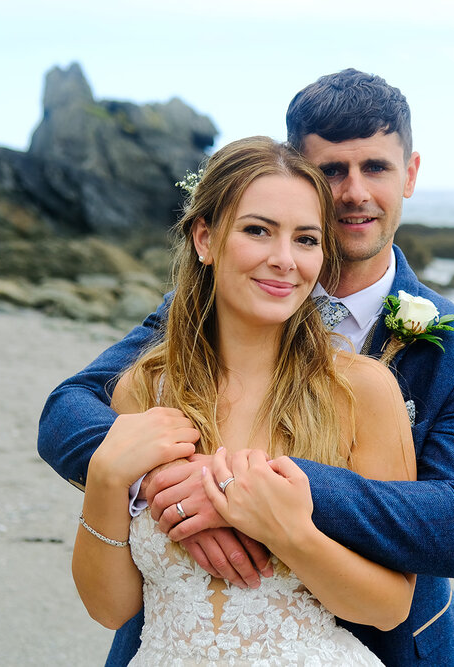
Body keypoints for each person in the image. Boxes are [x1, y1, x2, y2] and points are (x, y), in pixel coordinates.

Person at [39, 68, 454, 666]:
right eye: (333, 170)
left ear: (409, 174)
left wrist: (257, 492)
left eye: (377, 168)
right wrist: (157, 479)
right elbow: (68, 409)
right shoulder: (190, 326)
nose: (356, 192)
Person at [73, 135, 416, 664]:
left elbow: (390, 607)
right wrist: (106, 477)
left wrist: (289, 533)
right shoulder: (145, 386)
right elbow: (111, 609)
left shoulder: (361, 391)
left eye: (306, 240)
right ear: (205, 239)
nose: (284, 260)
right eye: (258, 231)